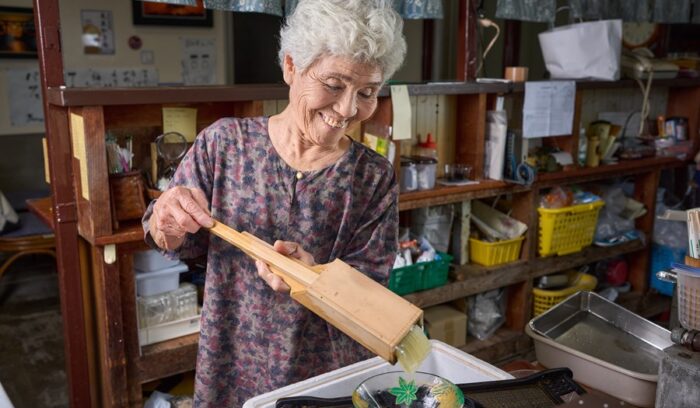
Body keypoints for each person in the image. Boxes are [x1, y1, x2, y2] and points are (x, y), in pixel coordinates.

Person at [142, 0, 406, 405]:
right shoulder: (224, 144)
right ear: (290, 67)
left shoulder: (372, 177)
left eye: (367, 92)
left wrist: (316, 278)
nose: (349, 109)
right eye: (334, 85)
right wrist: (167, 221)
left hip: (323, 374)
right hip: (230, 363)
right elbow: (175, 239)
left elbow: (371, 293)